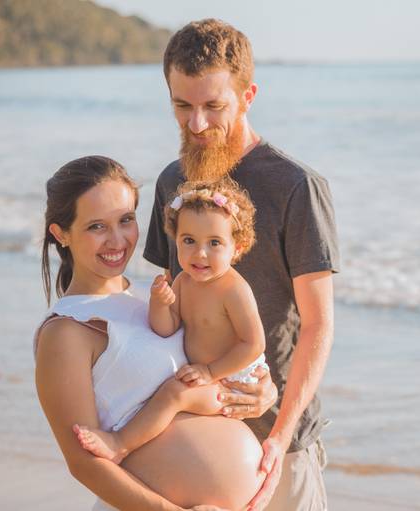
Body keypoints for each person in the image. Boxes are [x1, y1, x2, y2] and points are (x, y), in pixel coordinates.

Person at [145, 19, 340, 511]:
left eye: (214, 106)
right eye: (182, 106)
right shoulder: (171, 181)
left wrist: (280, 428)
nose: (197, 124)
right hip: (189, 436)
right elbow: (169, 310)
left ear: (248, 94)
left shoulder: (296, 186)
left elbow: (317, 325)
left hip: (277, 449)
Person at [35, 155, 275, 511]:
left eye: (126, 220)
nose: (117, 240)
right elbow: (83, 463)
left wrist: (261, 392)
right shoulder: (67, 330)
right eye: (96, 227)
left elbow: (216, 361)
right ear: (61, 234)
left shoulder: (159, 293)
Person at [72, 179, 268, 465]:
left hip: (234, 383)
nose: (200, 253)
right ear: (175, 239)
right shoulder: (183, 281)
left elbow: (254, 344)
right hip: (209, 378)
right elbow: (165, 328)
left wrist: (210, 371)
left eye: (214, 243)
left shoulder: (233, 290)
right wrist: (160, 303)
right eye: (189, 240)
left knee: (174, 393)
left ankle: (120, 443)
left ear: (237, 248)